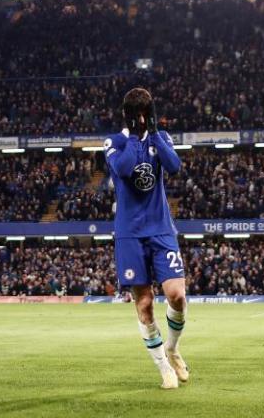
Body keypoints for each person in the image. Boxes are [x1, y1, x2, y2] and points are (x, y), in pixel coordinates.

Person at [105, 87, 188, 389]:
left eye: (146, 113)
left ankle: (173, 348)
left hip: (161, 229)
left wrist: (152, 133)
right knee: (145, 304)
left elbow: (175, 166)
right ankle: (163, 367)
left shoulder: (160, 137)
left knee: (177, 294)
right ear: (129, 115)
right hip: (129, 234)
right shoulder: (114, 142)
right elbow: (124, 168)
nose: (142, 119)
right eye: (137, 115)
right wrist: (131, 135)